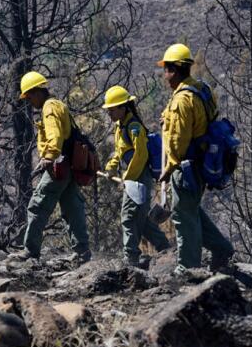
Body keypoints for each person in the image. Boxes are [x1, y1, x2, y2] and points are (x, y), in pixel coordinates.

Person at [157, 44, 234, 275]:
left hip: (186, 165)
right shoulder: (200, 89)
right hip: (201, 161)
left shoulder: (182, 99)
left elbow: (179, 142)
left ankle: (188, 267)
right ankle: (221, 248)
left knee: (183, 215)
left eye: (166, 70)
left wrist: (169, 168)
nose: (164, 75)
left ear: (175, 70)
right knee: (191, 209)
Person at [11, 71, 91, 263]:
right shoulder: (57, 104)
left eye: (29, 97)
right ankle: (82, 252)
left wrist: (48, 156)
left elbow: (55, 136)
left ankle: (30, 250)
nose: (29, 101)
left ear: (37, 92)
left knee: (37, 206)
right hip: (69, 165)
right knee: (73, 208)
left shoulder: (48, 107)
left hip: (58, 165)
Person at [102, 85, 171, 267]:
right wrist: (111, 167)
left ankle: (131, 257)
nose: (109, 113)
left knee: (129, 216)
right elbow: (120, 151)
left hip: (139, 178)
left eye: (112, 109)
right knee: (141, 219)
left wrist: (128, 178)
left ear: (123, 107)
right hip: (132, 178)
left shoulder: (134, 127)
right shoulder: (120, 127)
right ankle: (166, 248)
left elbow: (140, 155)